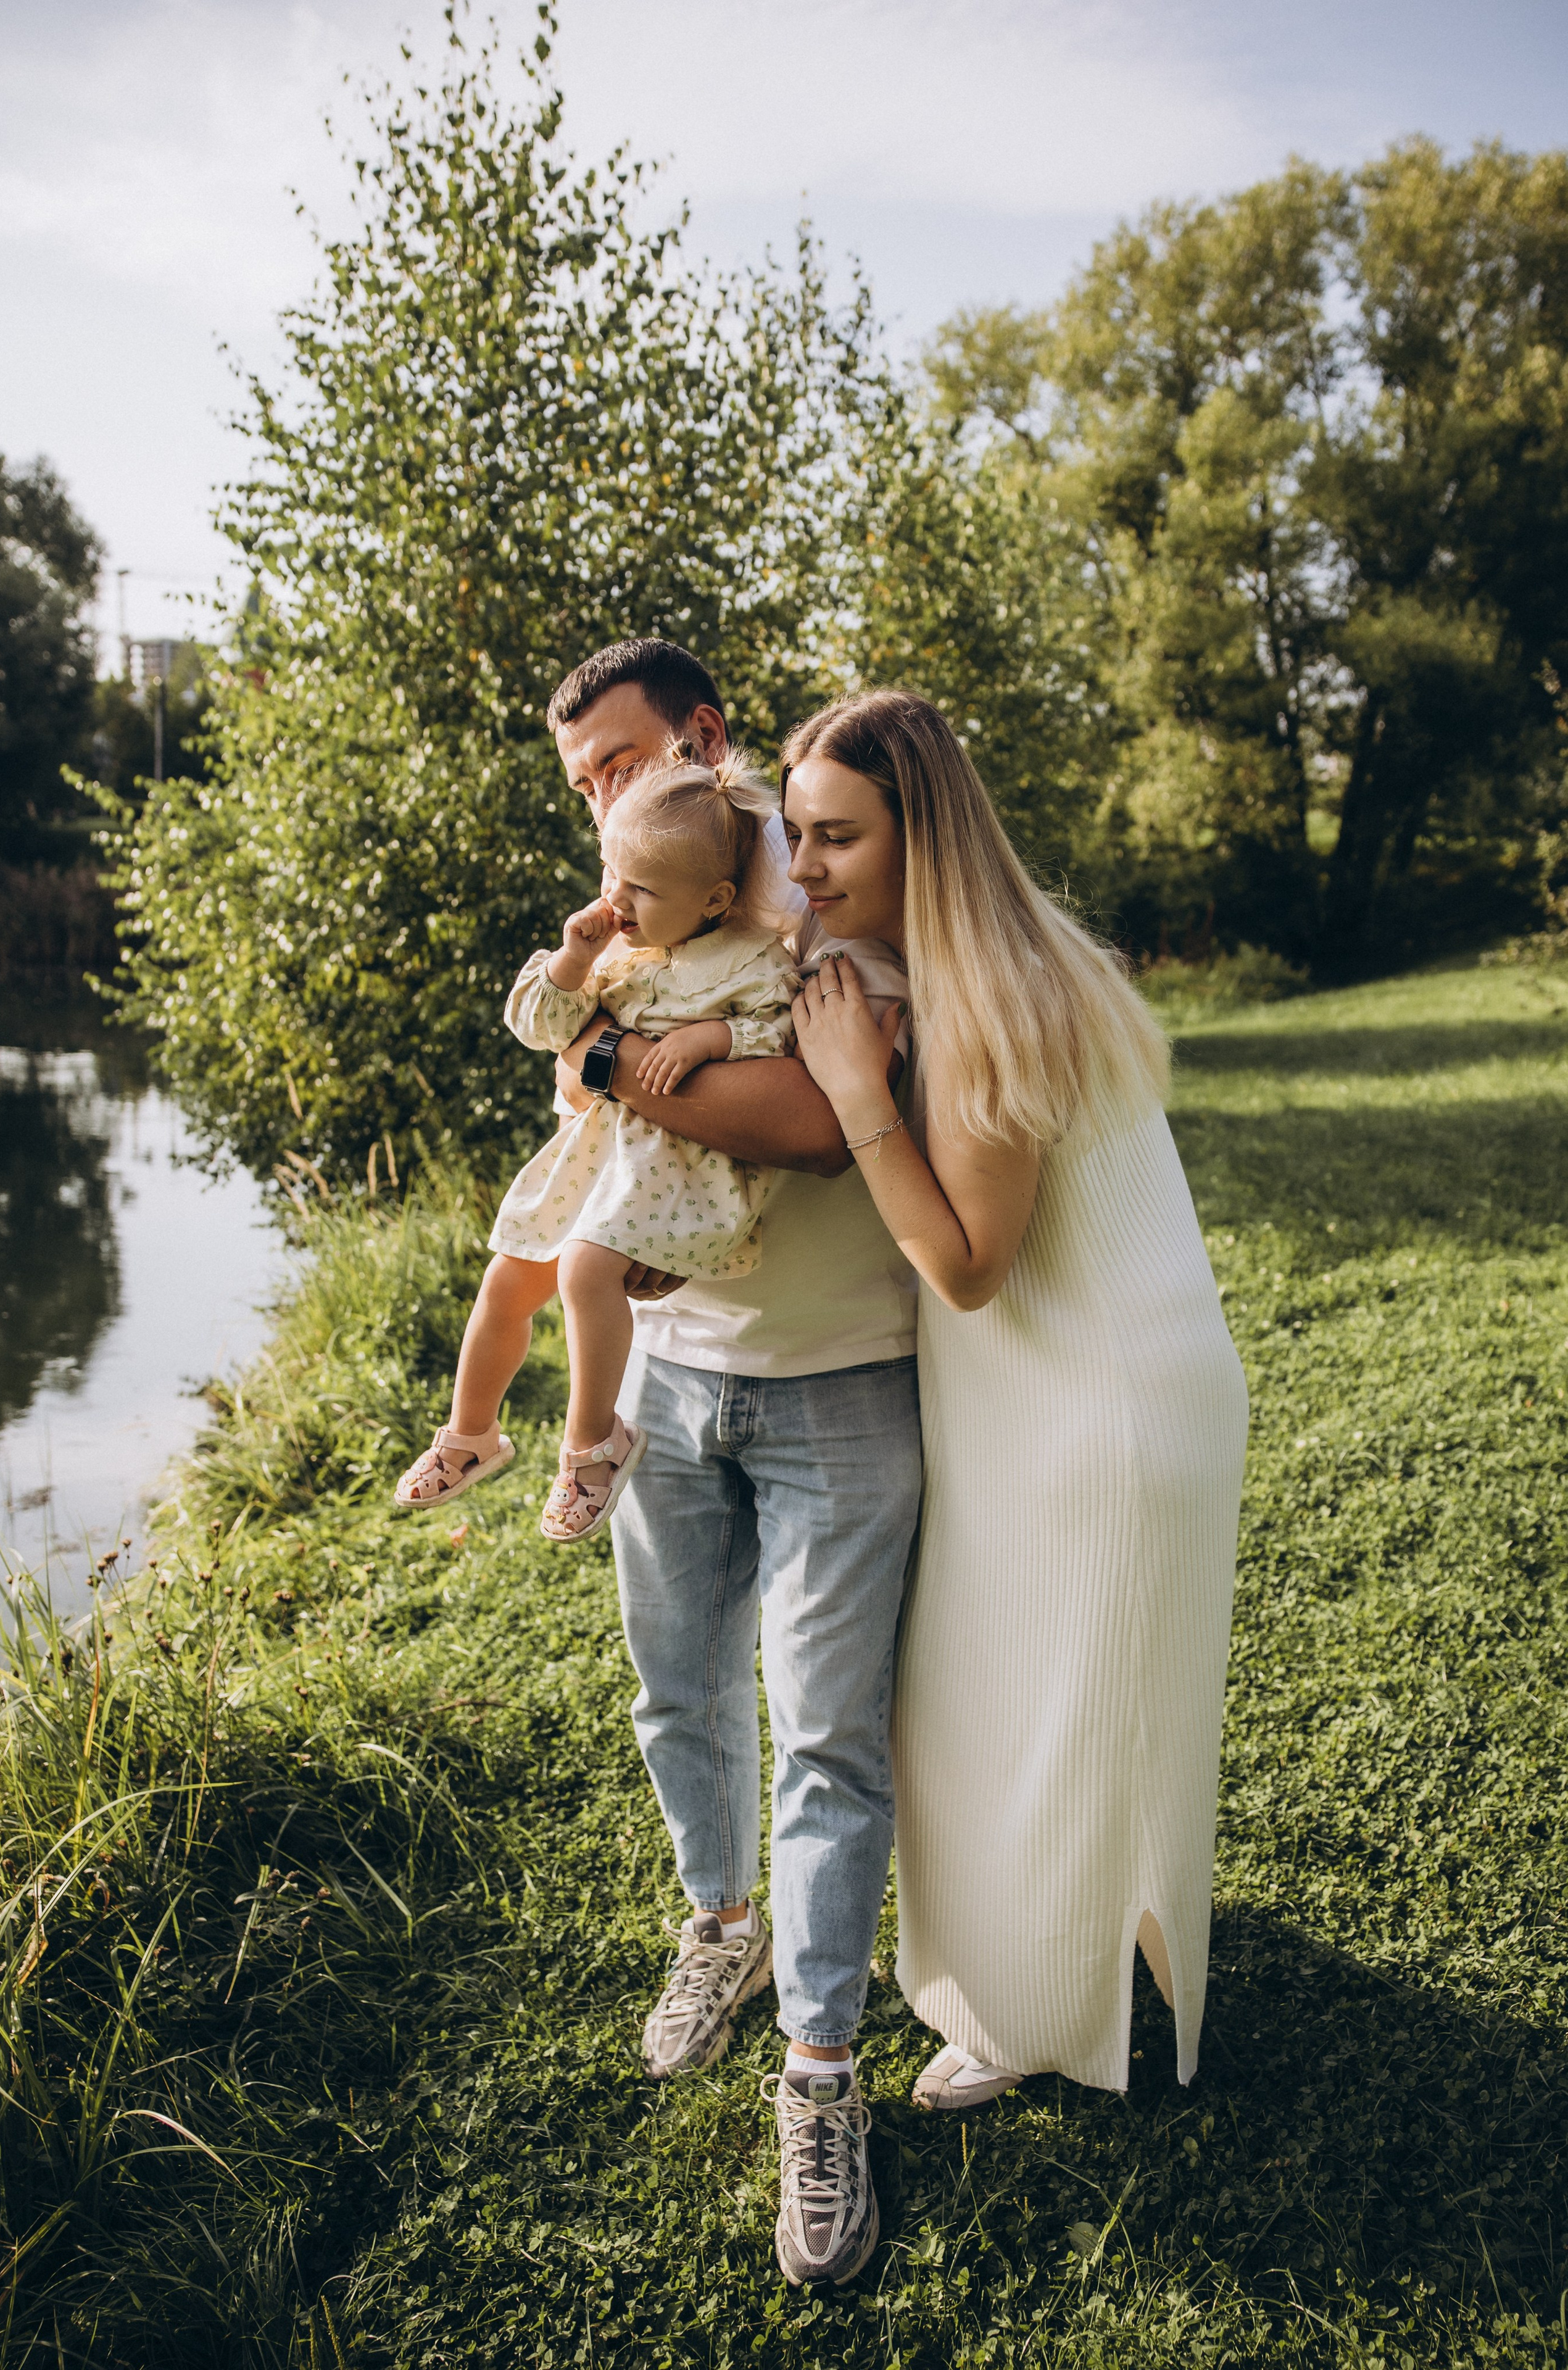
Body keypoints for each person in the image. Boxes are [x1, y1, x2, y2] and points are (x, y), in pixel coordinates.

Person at [782, 688, 1248, 2109]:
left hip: (1083, 1418)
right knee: (1076, 1702)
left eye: (834, 838)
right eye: (792, 834)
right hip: (1118, 1389)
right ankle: (1110, 1948)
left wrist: (854, 1088)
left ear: (920, 834)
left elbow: (970, 1268)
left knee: (1033, 1711)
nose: (803, 868)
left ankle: (1029, 2011)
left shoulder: (985, 1002)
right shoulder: (1015, 949)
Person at [544, 642, 923, 2286]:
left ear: (702, 738)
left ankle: (823, 2081)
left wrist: (624, 1066)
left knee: (829, 1737)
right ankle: (723, 1929)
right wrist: (610, 1044)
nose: (607, 805)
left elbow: (806, 1123)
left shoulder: (839, 863)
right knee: (675, 1690)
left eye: (621, 764)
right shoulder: (651, 898)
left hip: (842, 1386)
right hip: (678, 1383)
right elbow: (575, 1078)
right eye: (585, 791)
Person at [392, 752, 799, 1541]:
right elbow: (538, 1028)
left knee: (583, 1267)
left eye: (641, 888)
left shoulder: (750, 958)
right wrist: (575, 958)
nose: (616, 898)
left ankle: (592, 1446)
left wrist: (715, 1035)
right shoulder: (615, 951)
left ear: (714, 900)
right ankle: (471, 1434)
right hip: (602, 1157)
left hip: (685, 1167)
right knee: (509, 1274)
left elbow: (779, 1037)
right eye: (612, 871)